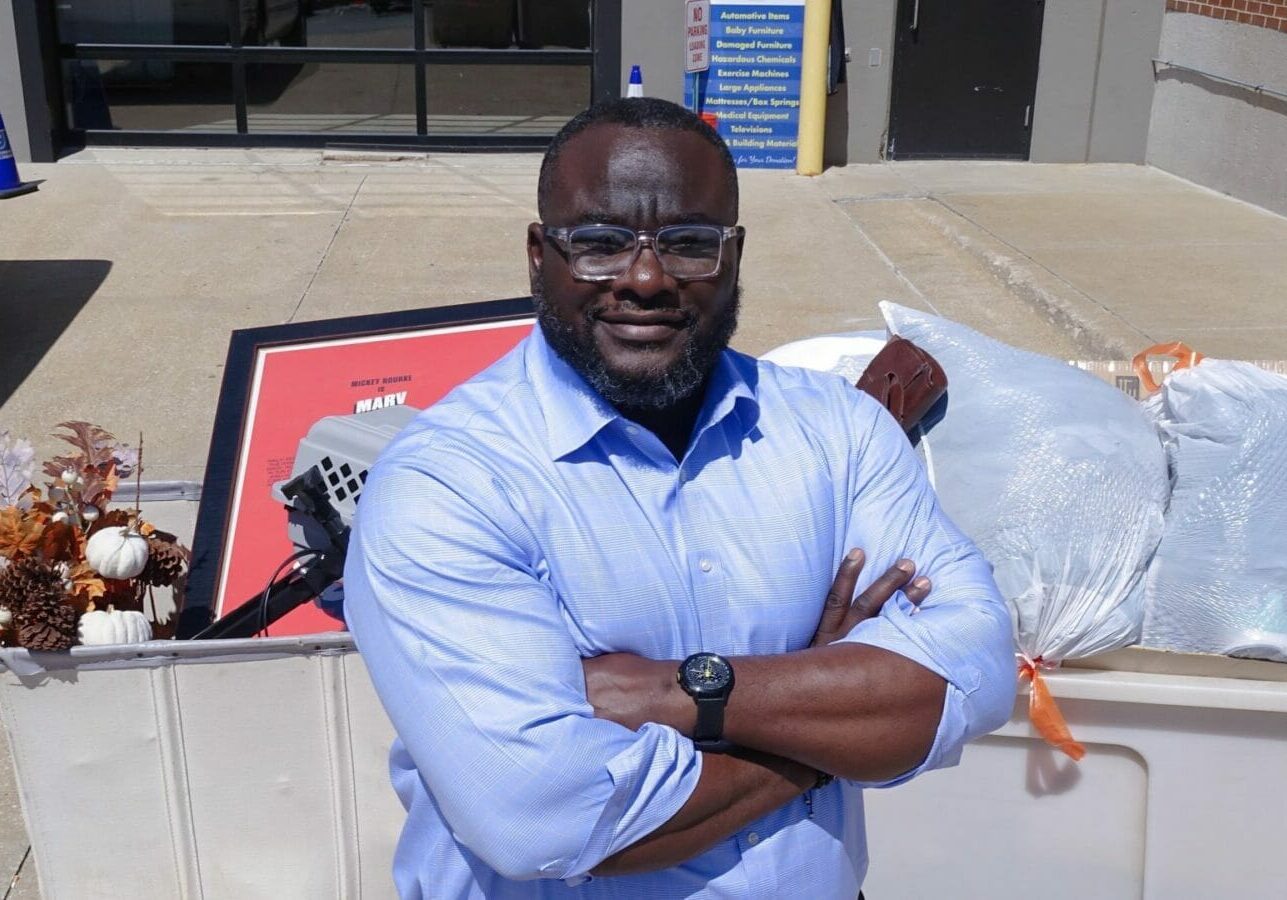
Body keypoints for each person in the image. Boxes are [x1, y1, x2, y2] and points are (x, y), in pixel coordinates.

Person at [344, 97, 1016, 898]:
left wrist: (677, 691)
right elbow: (542, 817)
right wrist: (821, 699)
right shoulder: (449, 482)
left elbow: (970, 674)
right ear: (537, 254)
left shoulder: (840, 435)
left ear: (733, 255)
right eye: (597, 243)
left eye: (689, 244)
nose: (645, 279)